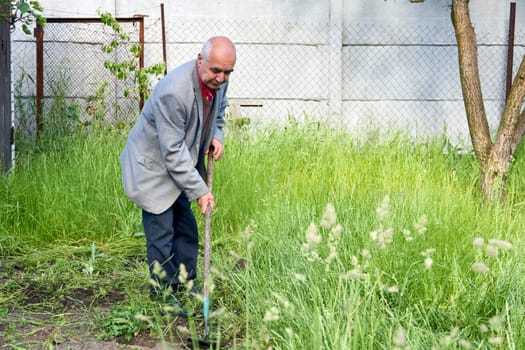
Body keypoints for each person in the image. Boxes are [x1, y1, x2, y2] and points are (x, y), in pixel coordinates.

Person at [120, 36, 236, 314]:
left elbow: (219, 113)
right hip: (153, 167)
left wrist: (216, 136)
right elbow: (171, 152)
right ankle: (161, 292)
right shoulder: (174, 91)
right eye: (216, 71)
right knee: (161, 231)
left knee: (185, 228)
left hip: (179, 164)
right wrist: (201, 191)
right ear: (200, 60)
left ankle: (185, 281)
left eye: (227, 72)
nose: (221, 78)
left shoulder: (218, 81)